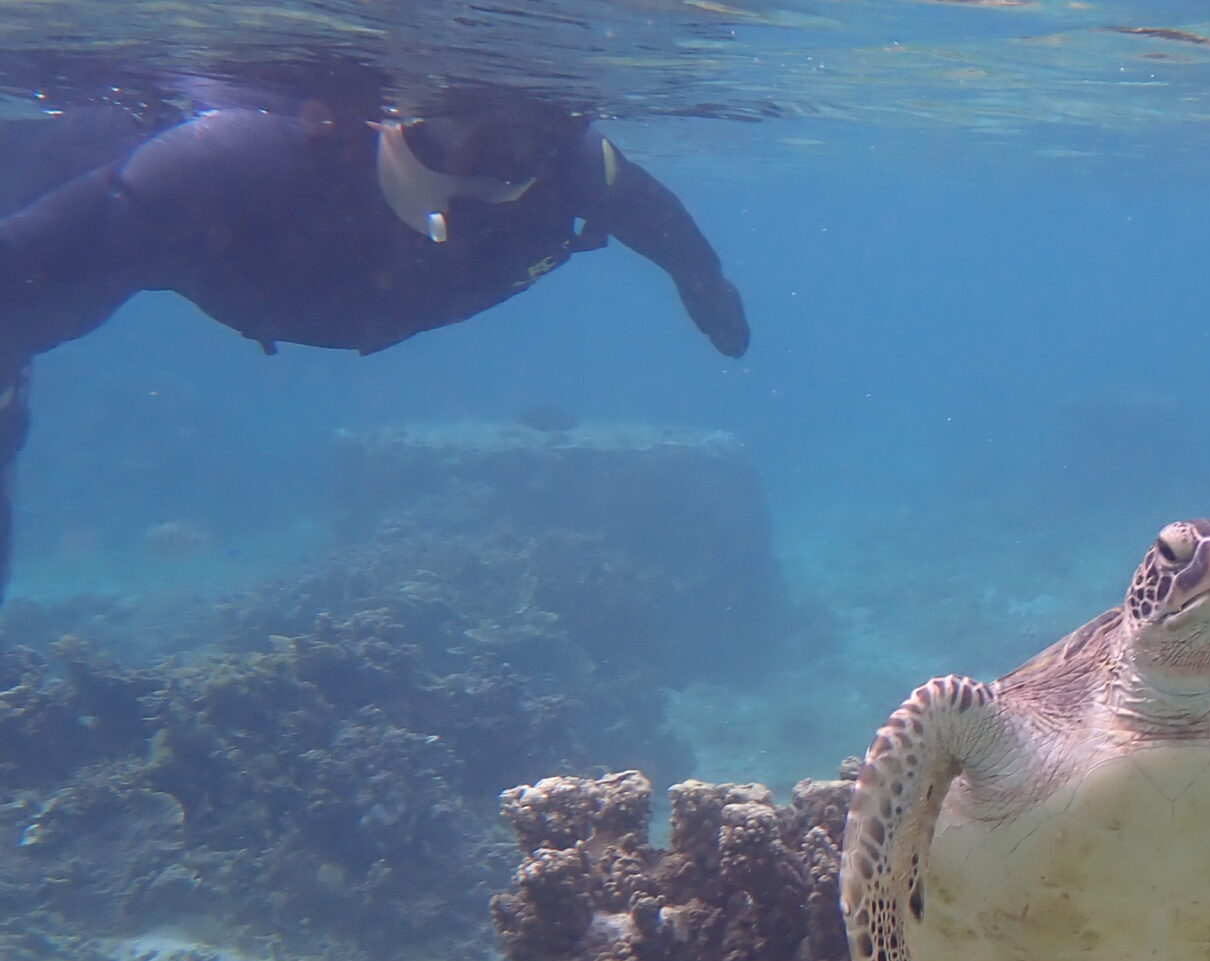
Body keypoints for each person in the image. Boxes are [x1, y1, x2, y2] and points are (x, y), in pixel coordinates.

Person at [0, 85, 747, 597]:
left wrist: (704, 279)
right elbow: (29, 268)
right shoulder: (228, 166)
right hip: (116, 179)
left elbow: (657, 219)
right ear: (382, 116)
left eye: (527, 147)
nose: (491, 172)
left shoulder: (571, 173)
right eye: (460, 137)